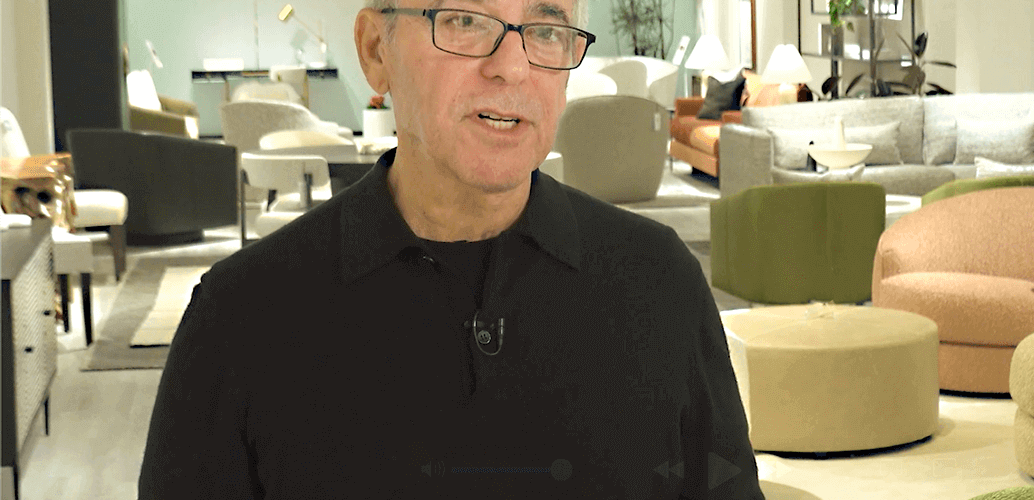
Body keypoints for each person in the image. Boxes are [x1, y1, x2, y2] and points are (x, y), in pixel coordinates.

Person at [136, 0, 764, 498]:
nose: (512, 67)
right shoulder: (244, 316)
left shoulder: (658, 282)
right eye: (463, 20)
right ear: (376, 51)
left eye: (547, 29)